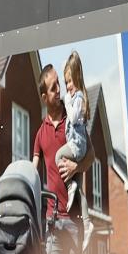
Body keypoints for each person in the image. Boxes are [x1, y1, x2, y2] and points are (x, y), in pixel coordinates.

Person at [32, 64, 90, 254]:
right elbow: (33, 175)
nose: (59, 90)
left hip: (75, 221)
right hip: (52, 222)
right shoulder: (40, 134)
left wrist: (77, 165)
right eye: (54, 87)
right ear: (44, 97)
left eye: (59, 84)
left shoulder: (73, 121)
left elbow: (92, 156)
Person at [54, 51, 90, 214]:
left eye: (70, 82)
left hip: (76, 147)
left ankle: (70, 187)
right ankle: (87, 222)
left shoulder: (76, 100)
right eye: (66, 82)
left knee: (58, 156)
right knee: (80, 190)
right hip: (76, 147)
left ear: (77, 78)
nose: (67, 87)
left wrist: (76, 167)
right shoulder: (73, 100)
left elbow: (74, 118)